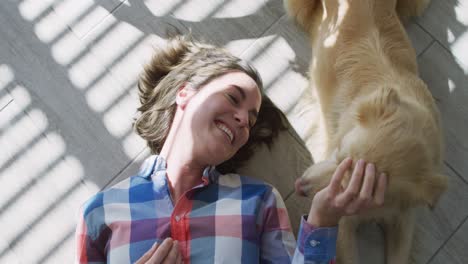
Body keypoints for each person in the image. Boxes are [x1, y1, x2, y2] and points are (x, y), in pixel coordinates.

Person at [75, 34, 387, 264]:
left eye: (251, 119)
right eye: (233, 98)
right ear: (185, 93)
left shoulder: (257, 199)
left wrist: (324, 218)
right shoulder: (100, 212)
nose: (242, 120)